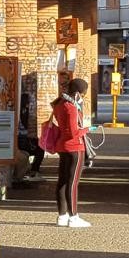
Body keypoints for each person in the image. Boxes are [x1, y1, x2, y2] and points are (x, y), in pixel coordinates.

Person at [52, 78, 92, 228]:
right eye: (83, 94)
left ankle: (62, 215)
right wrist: (88, 129)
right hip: (75, 147)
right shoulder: (71, 107)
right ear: (77, 93)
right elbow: (74, 132)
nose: (83, 97)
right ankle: (74, 217)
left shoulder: (59, 104)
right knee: (73, 183)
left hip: (62, 146)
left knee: (62, 181)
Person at [17, 95, 44, 180]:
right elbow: (25, 129)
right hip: (22, 140)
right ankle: (34, 170)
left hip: (23, 139)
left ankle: (34, 170)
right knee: (40, 150)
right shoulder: (24, 112)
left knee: (40, 148)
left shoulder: (22, 111)